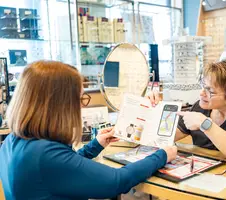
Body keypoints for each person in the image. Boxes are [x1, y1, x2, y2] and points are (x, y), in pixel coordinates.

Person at [0, 61, 177, 200]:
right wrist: (161, 156)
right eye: (79, 99)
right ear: (58, 105)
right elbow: (117, 181)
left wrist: (95, 145)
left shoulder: (13, 142)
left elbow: (66, 169)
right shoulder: (43, 154)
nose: (81, 106)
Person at [148, 57, 226, 164]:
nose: (201, 94)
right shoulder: (200, 107)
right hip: (204, 174)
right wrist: (152, 110)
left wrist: (204, 124)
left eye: (210, 91)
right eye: (203, 86)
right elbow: (160, 138)